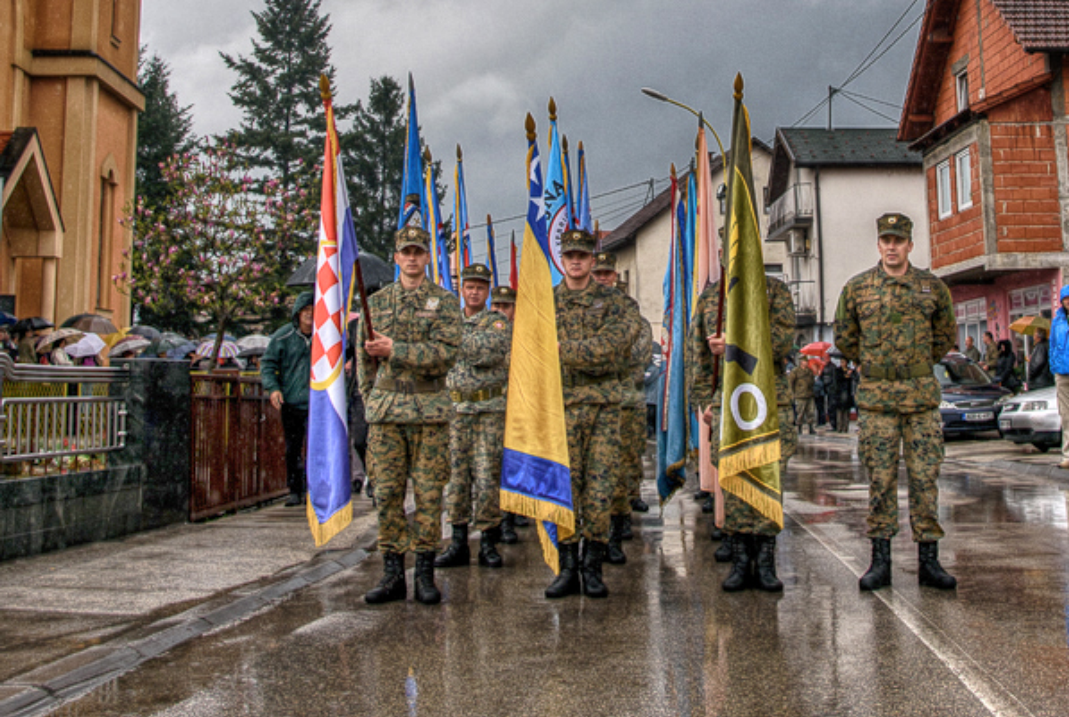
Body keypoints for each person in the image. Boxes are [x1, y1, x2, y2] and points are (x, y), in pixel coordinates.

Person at [834, 212, 957, 591]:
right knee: (881, 481)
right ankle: (880, 561)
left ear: (909, 245)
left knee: (925, 480)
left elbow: (945, 335)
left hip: (920, 400)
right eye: (886, 240)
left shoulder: (931, 288)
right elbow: (844, 337)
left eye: (898, 240)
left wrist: (916, 365)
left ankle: (929, 561)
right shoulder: (858, 289)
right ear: (878, 245)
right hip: (877, 402)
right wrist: (876, 366)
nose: (891, 247)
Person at [358, 226, 462, 606]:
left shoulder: (445, 303)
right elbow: (365, 364)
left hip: (429, 413)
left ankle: (424, 572)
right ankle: (391, 572)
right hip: (387, 415)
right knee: (386, 495)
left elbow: (445, 354)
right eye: (406, 252)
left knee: (430, 496)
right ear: (397, 257)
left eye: (419, 251)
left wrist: (397, 349)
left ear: (427, 256)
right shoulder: (378, 303)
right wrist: (374, 402)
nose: (413, 258)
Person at [687, 269, 797, 592]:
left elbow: (781, 342)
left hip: (770, 398)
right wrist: (705, 400)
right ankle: (739, 560)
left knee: (768, 478)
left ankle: (765, 562)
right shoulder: (711, 299)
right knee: (733, 479)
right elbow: (699, 356)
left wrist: (734, 344)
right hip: (728, 400)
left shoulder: (775, 292)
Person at [544, 229, 633, 599]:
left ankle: (592, 567)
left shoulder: (616, 304)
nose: (577, 261)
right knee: (565, 488)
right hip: (560, 408)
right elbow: (532, 352)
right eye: (570, 256)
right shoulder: (545, 304)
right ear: (561, 261)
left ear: (593, 260)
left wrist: (563, 350)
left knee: (598, 491)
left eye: (583, 255)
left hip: (603, 409)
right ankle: (567, 567)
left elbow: (614, 347)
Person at [435, 263, 512, 571]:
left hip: (488, 411)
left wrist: (454, 343)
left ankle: (489, 542)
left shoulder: (497, 321)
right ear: (462, 290)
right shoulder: (449, 318)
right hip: (455, 411)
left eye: (480, 287)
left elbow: (489, 352)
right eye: (470, 287)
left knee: (487, 476)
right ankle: (457, 541)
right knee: (455, 479)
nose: (475, 291)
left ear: (487, 291)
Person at [591, 251, 652, 565]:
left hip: (627, 399)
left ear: (615, 276)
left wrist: (597, 355)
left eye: (606, 274)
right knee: (598, 470)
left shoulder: (631, 314)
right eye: (598, 273)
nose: (602, 278)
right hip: (594, 401)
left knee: (626, 461)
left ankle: (621, 518)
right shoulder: (586, 311)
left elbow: (639, 352)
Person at [261, 291, 314, 507]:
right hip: (291, 401)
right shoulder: (282, 337)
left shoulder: (326, 336)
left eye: (314, 311)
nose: (310, 315)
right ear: (298, 313)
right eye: (306, 311)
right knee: (292, 448)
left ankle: (315, 488)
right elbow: (268, 363)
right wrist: (273, 388)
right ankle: (294, 489)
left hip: (318, 402)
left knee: (316, 448)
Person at [488, 285, 527, 541]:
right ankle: (499, 520)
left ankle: (515, 514)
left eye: (506, 306)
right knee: (494, 466)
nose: (501, 311)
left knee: (517, 463)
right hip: (492, 408)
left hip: (519, 407)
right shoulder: (484, 331)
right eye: (497, 306)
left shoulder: (523, 334)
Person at [1048, 286, 1069, 469]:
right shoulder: (1058, 321)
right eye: (1066, 299)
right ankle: (1067, 455)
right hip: (1062, 372)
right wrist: (1055, 365)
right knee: (1066, 416)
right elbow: (1052, 345)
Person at [789, 357, 817, 435]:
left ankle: (811, 427)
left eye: (806, 361)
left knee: (810, 412)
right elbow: (791, 382)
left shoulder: (809, 371)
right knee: (800, 412)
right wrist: (792, 393)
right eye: (804, 361)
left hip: (809, 394)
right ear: (801, 362)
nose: (806, 363)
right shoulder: (796, 371)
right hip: (800, 395)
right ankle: (799, 427)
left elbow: (812, 381)